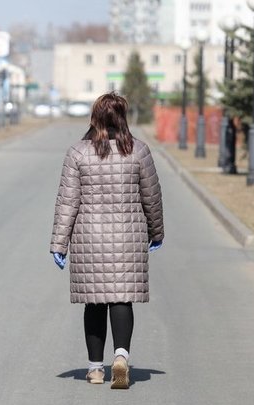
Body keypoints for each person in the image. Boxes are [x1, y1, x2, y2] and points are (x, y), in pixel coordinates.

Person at [49, 92, 164, 389]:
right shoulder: (139, 151)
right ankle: (121, 356)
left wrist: (59, 244)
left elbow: (67, 202)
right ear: (123, 118)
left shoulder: (78, 152)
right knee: (121, 298)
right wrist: (156, 232)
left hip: (89, 238)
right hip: (128, 238)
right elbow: (151, 197)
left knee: (95, 301)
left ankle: (96, 369)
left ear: (95, 117)